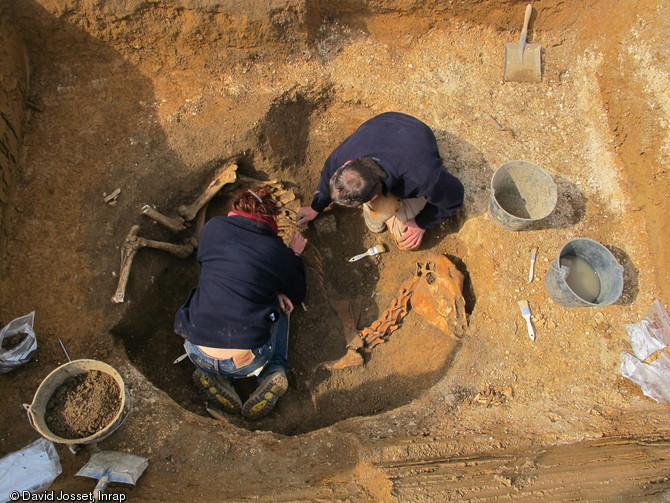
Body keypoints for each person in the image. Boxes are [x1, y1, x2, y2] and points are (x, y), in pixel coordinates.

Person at [174, 185, 307, 420]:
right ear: (270, 218)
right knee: (284, 307)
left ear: (235, 208)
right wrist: (293, 256)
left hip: (195, 347)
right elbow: (297, 294)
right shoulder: (276, 251)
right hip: (245, 360)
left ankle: (216, 376)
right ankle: (273, 370)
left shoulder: (212, 227)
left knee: (209, 287)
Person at [296, 112, 464, 250]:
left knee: (404, 240)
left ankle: (387, 218)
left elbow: (454, 197)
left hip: (415, 136)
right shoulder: (344, 155)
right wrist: (315, 207)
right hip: (388, 124)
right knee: (380, 218)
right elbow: (328, 172)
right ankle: (384, 218)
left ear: (374, 198)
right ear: (347, 164)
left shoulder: (420, 178)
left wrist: (420, 223)